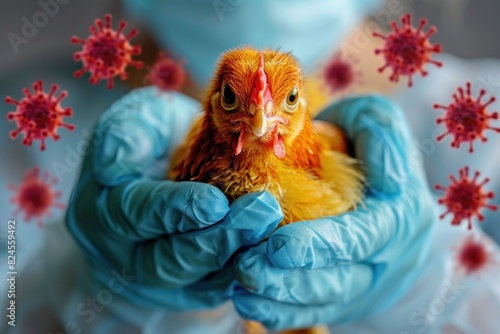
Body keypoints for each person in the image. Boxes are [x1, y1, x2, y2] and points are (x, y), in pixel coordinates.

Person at [1, 1, 499, 333]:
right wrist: (92, 292)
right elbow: (9, 307)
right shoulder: (26, 116)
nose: (262, 120)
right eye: (234, 98)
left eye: (286, 102)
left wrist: (426, 282)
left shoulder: (477, 115)